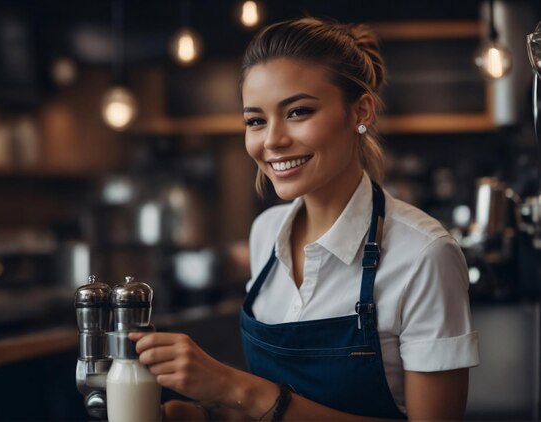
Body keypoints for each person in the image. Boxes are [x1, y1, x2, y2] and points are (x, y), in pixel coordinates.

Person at [129, 17, 480, 421]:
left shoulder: (423, 254)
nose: (273, 140)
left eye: (297, 111)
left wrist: (233, 386)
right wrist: (196, 416)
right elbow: (260, 412)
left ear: (360, 111)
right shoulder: (265, 234)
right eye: (256, 120)